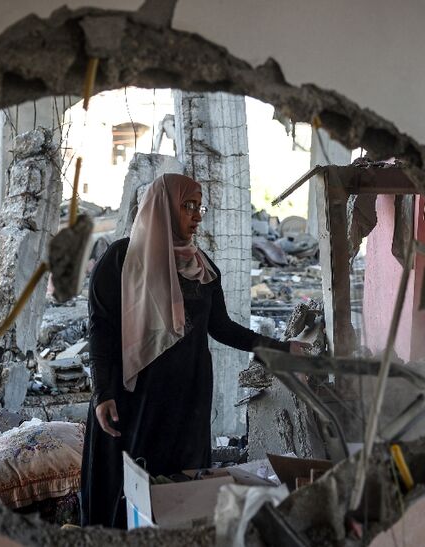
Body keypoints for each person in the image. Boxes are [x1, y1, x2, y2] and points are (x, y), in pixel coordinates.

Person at [80, 173, 301, 528]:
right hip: (133, 397)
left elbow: (222, 327)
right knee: (129, 486)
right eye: (187, 206)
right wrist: (103, 392)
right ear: (163, 208)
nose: (197, 215)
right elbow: (100, 329)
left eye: (199, 207)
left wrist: (281, 348)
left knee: (179, 488)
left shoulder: (202, 266)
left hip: (187, 397)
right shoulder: (121, 260)